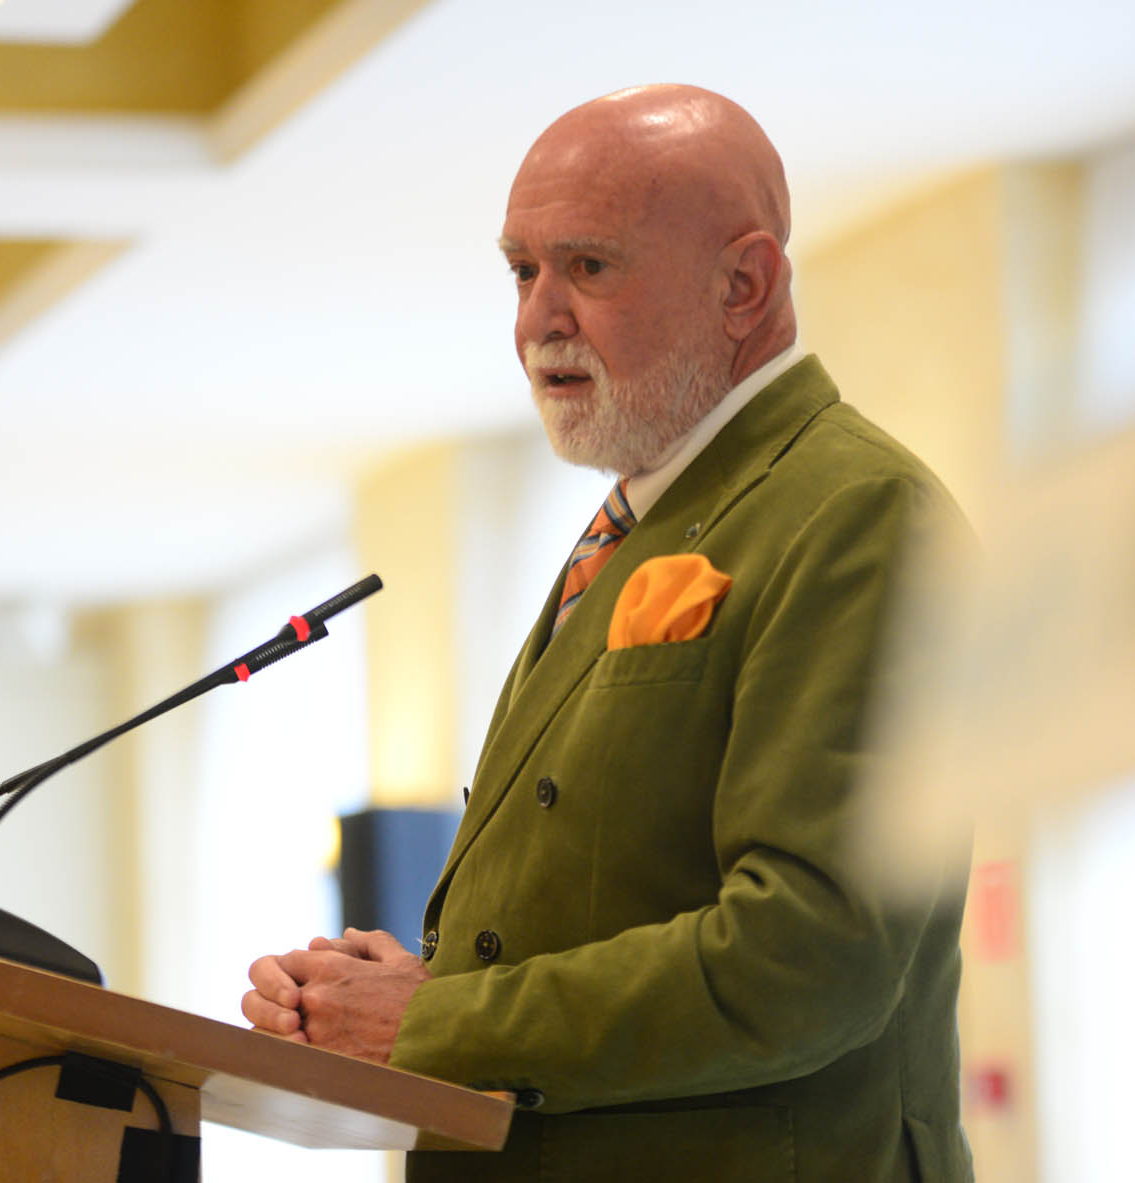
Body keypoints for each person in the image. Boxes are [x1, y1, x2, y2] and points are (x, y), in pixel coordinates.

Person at [244, 84, 974, 1182]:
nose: (536, 317)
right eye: (520, 270)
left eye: (586, 266)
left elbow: (810, 955)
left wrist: (439, 1023)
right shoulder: (636, 518)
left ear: (743, 284)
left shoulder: (854, 510)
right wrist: (376, 996)